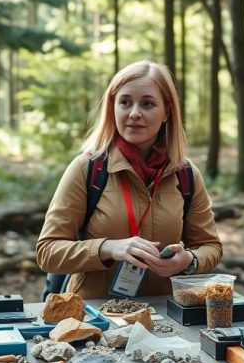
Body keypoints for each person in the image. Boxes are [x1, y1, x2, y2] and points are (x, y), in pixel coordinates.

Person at [37, 61, 223, 300]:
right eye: (125, 102)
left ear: (166, 111)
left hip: (164, 321)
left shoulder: (185, 174)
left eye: (147, 104)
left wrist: (190, 260)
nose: (134, 113)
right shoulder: (87, 169)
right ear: (112, 108)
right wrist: (108, 248)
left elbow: (211, 247)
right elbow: (47, 252)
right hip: (93, 318)